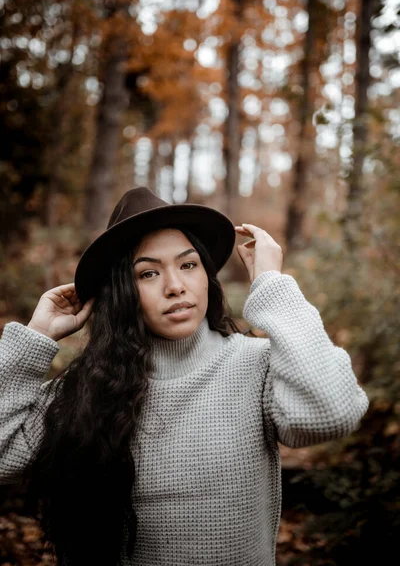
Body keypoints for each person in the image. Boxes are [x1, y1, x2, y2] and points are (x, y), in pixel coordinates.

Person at [0, 186, 369, 566]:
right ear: (123, 292)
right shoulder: (83, 389)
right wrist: (35, 338)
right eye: (148, 273)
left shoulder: (256, 364)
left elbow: (331, 413)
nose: (175, 286)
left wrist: (272, 287)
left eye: (188, 265)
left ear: (206, 275)